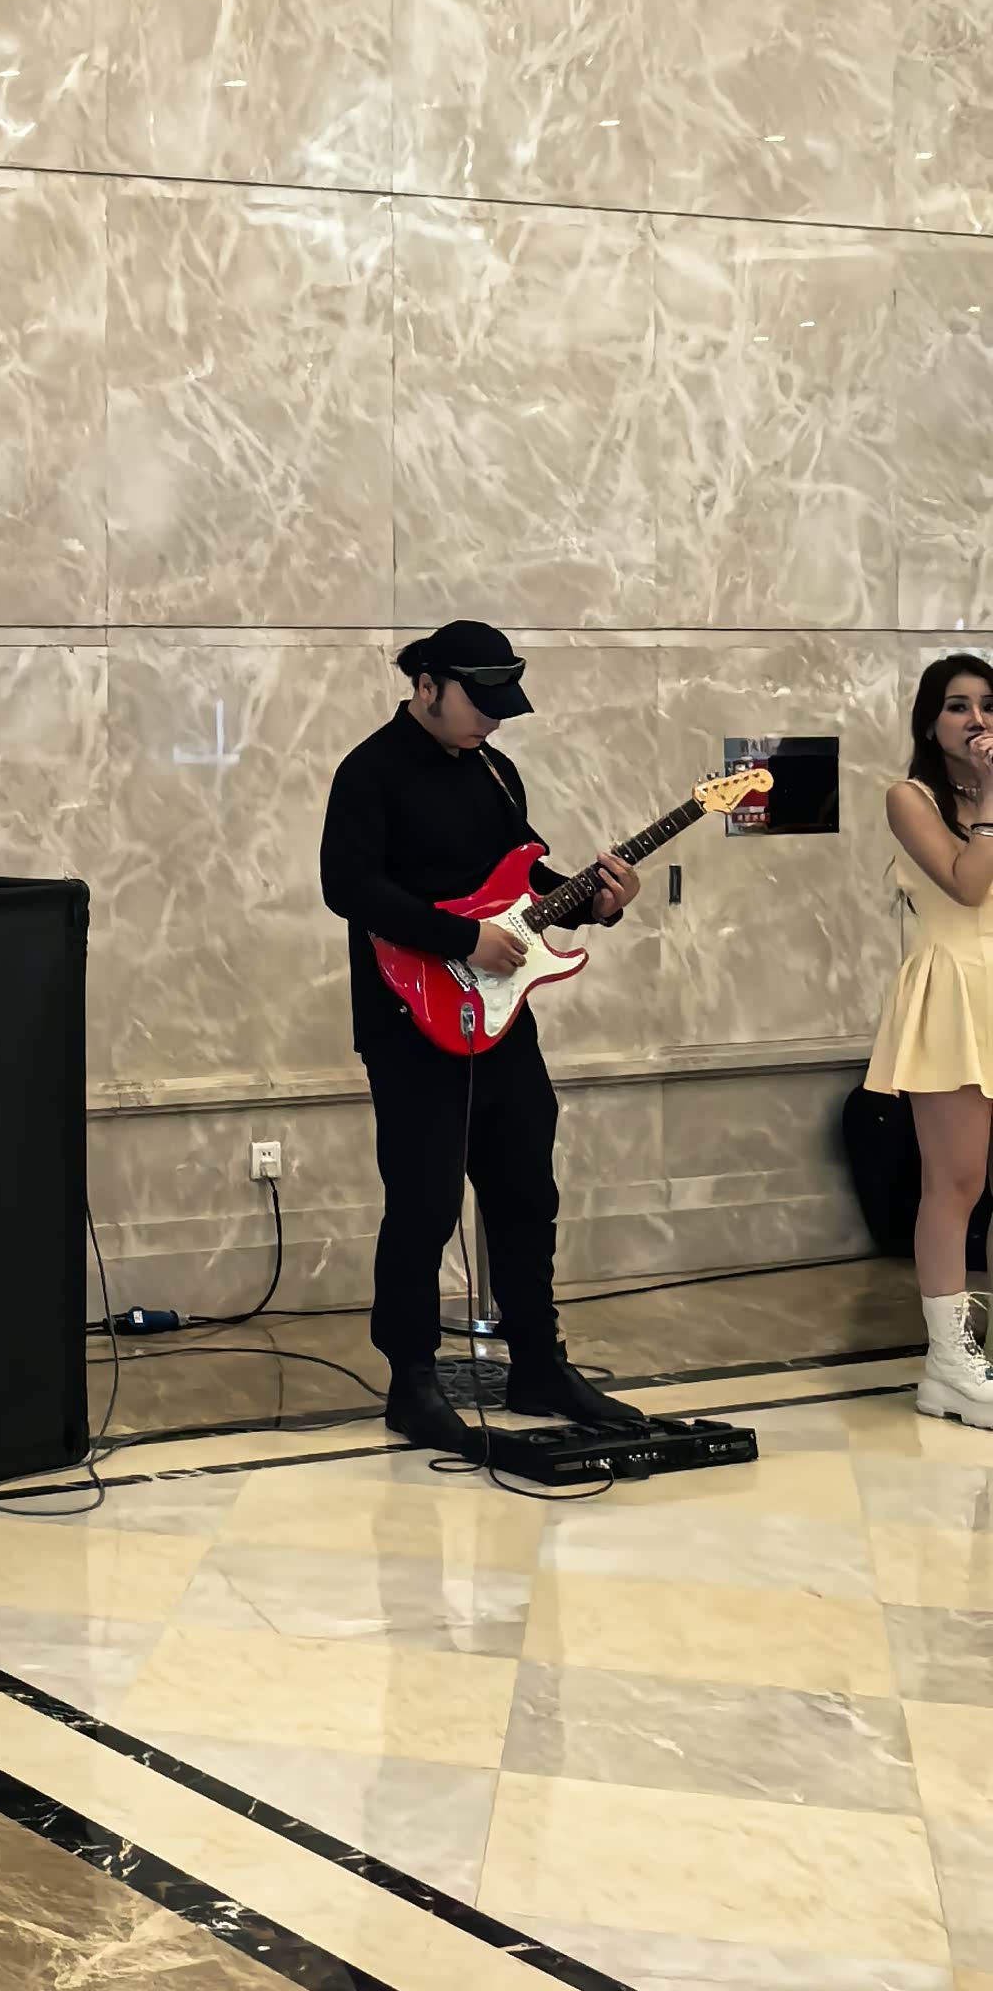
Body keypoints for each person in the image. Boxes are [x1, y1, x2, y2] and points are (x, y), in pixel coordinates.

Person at [318, 623, 648, 1455]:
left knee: (528, 1195)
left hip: (500, 1019)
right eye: (480, 704)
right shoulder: (369, 772)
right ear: (427, 685)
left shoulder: (496, 772)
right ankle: (412, 1383)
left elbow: (522, 885)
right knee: (424, 1204)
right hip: (408, 1021)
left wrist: (596, 902)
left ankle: (538, 1363)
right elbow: (347, 886)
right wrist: (461, 940)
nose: (493, 722)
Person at [870, 654, 993, 1430]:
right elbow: (967, 884)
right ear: (930, 721)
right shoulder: (909, 797)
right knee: (956, 1182)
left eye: (989, 704)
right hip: (953, 990)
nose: (977, 720)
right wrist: (991, 796)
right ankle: (948, 1365)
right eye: (958, 706)